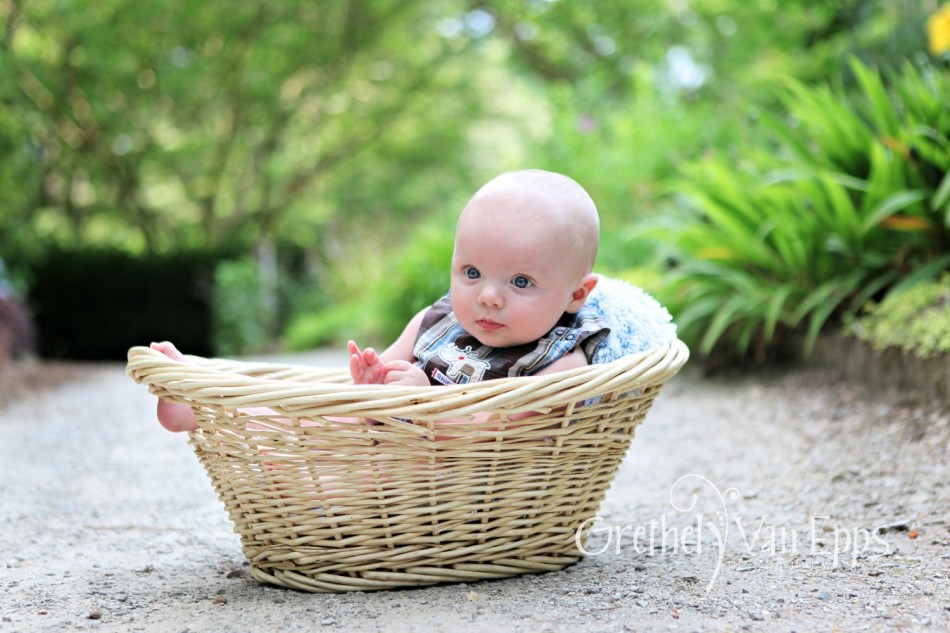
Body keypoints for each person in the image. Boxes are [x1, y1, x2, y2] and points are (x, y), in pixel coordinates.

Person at [153, 169, 645, 432]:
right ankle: (206, 402)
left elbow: (489, 434)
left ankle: (296, 481)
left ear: (576, 294)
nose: (488, 297)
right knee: (323, 411)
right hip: (391, 440)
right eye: (471, 273)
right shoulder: (439, 320)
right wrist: (373, 384)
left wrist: (419, 401)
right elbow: (378, 385)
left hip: (443, 483)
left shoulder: (564, 360)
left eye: (520, 282)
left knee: (344, 453)